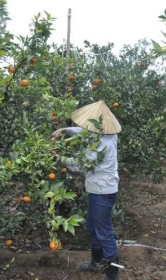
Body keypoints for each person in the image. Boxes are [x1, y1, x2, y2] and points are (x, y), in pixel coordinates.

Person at [50, 100, 121, 280]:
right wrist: (65, 130)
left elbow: (81, 166)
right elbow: (86, 132)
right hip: (99, 189)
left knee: (104, 230)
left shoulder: (101, 145)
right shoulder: (107, 133)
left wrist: (60, 158)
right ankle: (96, 262)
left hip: (103, 192)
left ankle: (112, 276)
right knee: (92, 225)